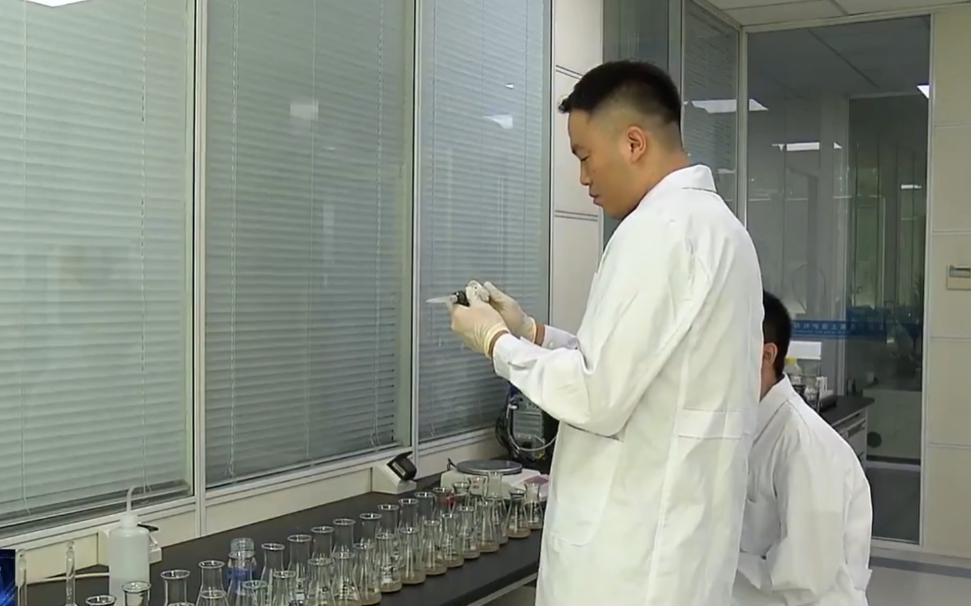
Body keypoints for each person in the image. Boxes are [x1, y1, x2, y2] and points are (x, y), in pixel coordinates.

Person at [447, 59, 764, 606]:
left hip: (628, 563)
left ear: (634, 143)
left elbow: (597, 396)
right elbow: (643, 370)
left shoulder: (657, 231)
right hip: (677, 550)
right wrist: (532, 331)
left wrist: (497, 343)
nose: (583, 177)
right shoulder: (721, 231)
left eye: (584, 155)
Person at [733, 291, 872, 606]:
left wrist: (714, 561)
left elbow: (802, 578)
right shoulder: (748, 426)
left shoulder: (804, 445)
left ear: (766, 355)